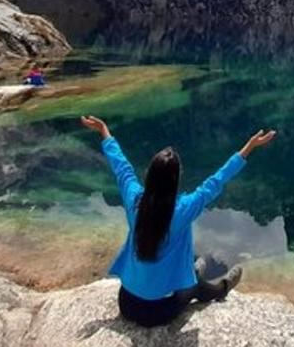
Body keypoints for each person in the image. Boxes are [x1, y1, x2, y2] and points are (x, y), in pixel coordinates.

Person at [79, 115, 277, 327]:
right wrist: (249, 147)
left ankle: (196, 271)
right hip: (158, 312)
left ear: (150, 175)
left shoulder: (134, 199)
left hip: (126, 303)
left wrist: (104, 131)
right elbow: (216, 181)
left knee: (188, 274)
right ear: (176, 180)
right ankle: (223, 288)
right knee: (195, 287)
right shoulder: (183, 209)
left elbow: (121, 167)